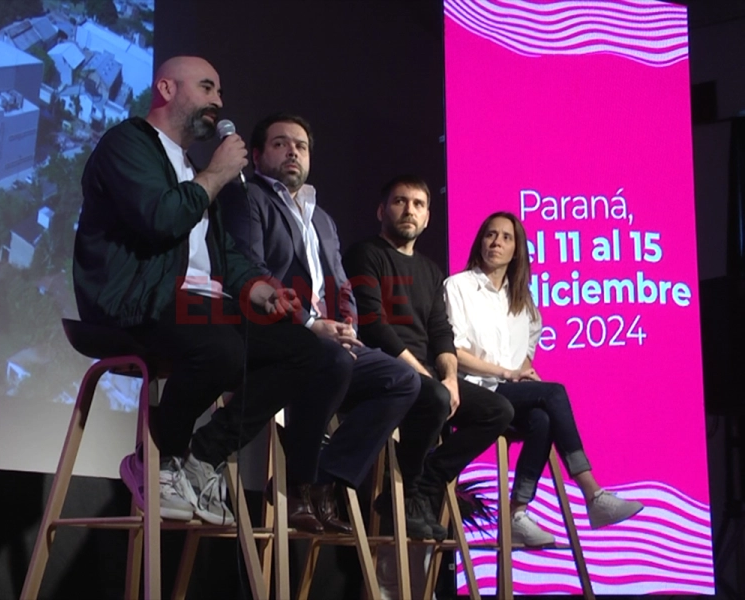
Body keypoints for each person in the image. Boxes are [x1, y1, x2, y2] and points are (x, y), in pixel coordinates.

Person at [73, 57, 343, 527]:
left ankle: (202, 458)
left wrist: (258, 288)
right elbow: (159, 219)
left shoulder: (190, 166)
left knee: (306, 350)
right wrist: (216, 175)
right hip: (136, 301)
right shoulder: (128, 144)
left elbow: (222, 252)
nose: (218, 101)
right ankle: (156, 457)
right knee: (220, 346)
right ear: (166, 89)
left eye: (219, 92)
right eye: (206, 88)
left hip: (200, 305)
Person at [221, 113, 427, 536]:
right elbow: (253, 272)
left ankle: (325, 479)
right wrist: (311, 323)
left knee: (403, 380)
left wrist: (348, 324)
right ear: (257, 155)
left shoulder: (322, 217)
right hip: (270, 334)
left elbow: (343, 284)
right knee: (332, 360)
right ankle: (300, 484)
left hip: (326, 340)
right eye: (280, 143)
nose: (292, 151)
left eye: (300, 146)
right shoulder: (247, 198)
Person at [444, 211, 644, 546]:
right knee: (554, 393)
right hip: (471, 390)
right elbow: (454, 352)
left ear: (517, 250)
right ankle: (592, 493)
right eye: (490, 234)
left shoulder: (524, 304)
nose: (496, 242)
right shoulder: (459, 286)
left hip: (507, 393)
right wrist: (506, 373)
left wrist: (522, 375)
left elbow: (523, 359)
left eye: (506, 237)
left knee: (542, 417)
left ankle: (517, 513)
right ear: (480, 241)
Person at [342, 175, 514, 530]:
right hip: (385, 371)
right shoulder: (365, 254)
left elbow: (441, 333)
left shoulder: (430, 271)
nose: (409, 210)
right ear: (381, 211)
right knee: (434, 397)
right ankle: (406, 495)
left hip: (428, 376)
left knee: (498, 410)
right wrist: (425, 376)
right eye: (400, 202)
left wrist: (450, 377)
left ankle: (427, 482)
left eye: (418, 204)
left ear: (427, 218)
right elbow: (374, 325)